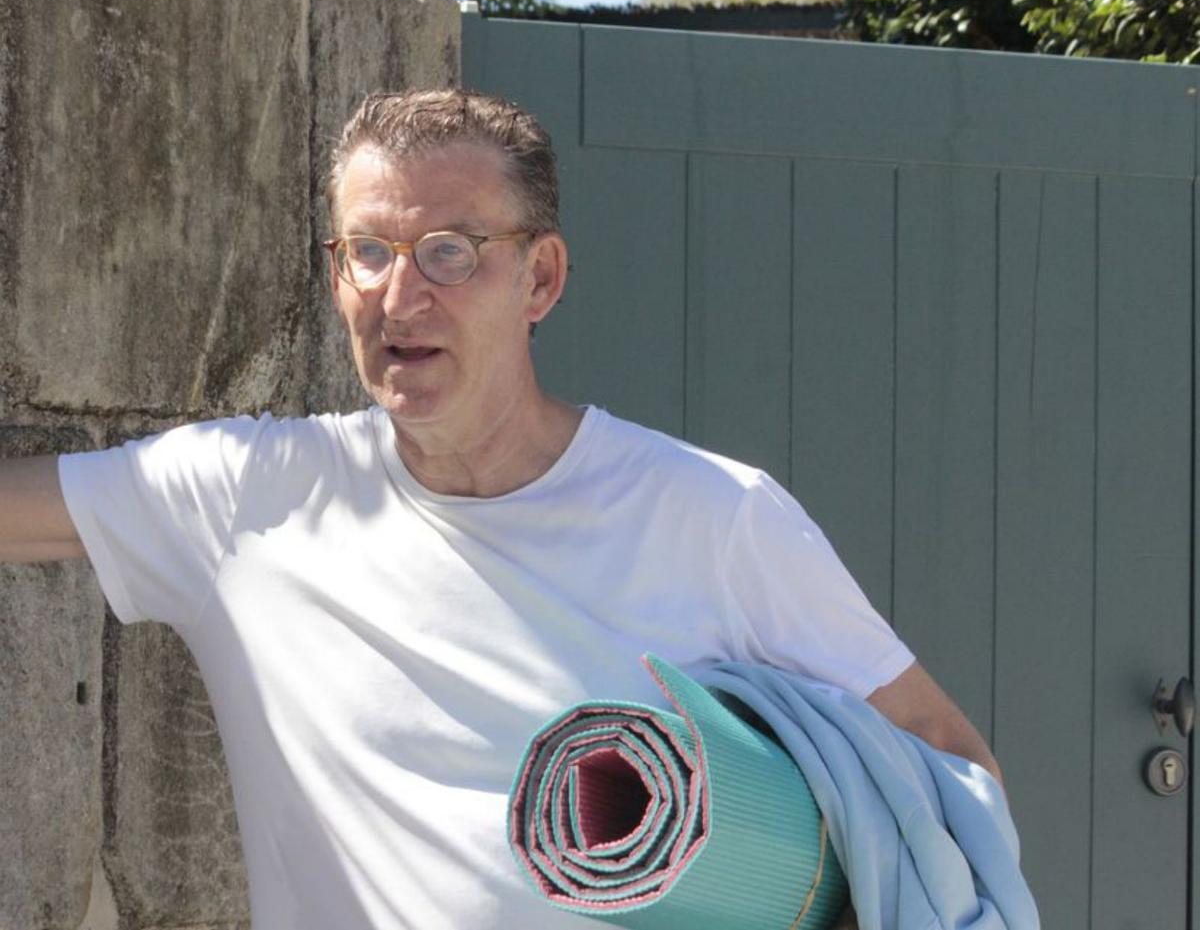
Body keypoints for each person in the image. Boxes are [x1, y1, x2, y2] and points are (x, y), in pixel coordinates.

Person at [0, 89, 1001, 929]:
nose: (400, 295)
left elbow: (947, 772)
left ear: (542, 277)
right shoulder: (245, 499)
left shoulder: (715, 516)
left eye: (449, 250)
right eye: (369, 250)